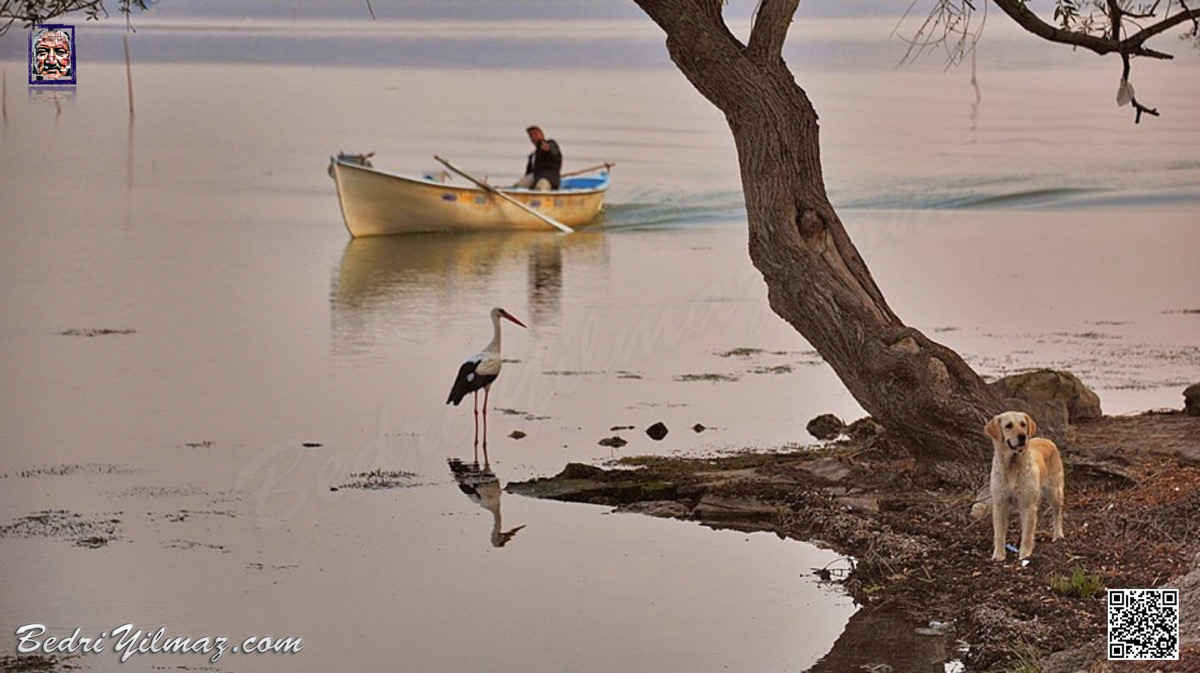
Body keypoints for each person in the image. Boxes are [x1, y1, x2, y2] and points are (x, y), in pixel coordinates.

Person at [513, 126, 562, 190]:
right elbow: (528, 172)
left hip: (548, 178)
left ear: (542, 135)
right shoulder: (533, 156)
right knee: (519, 185)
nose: (533, 137)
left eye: (535, 134)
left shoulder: (551, 143)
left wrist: (548, 148)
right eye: (531, 136)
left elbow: (554, 151)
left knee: (541, 185)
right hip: (535, 176)